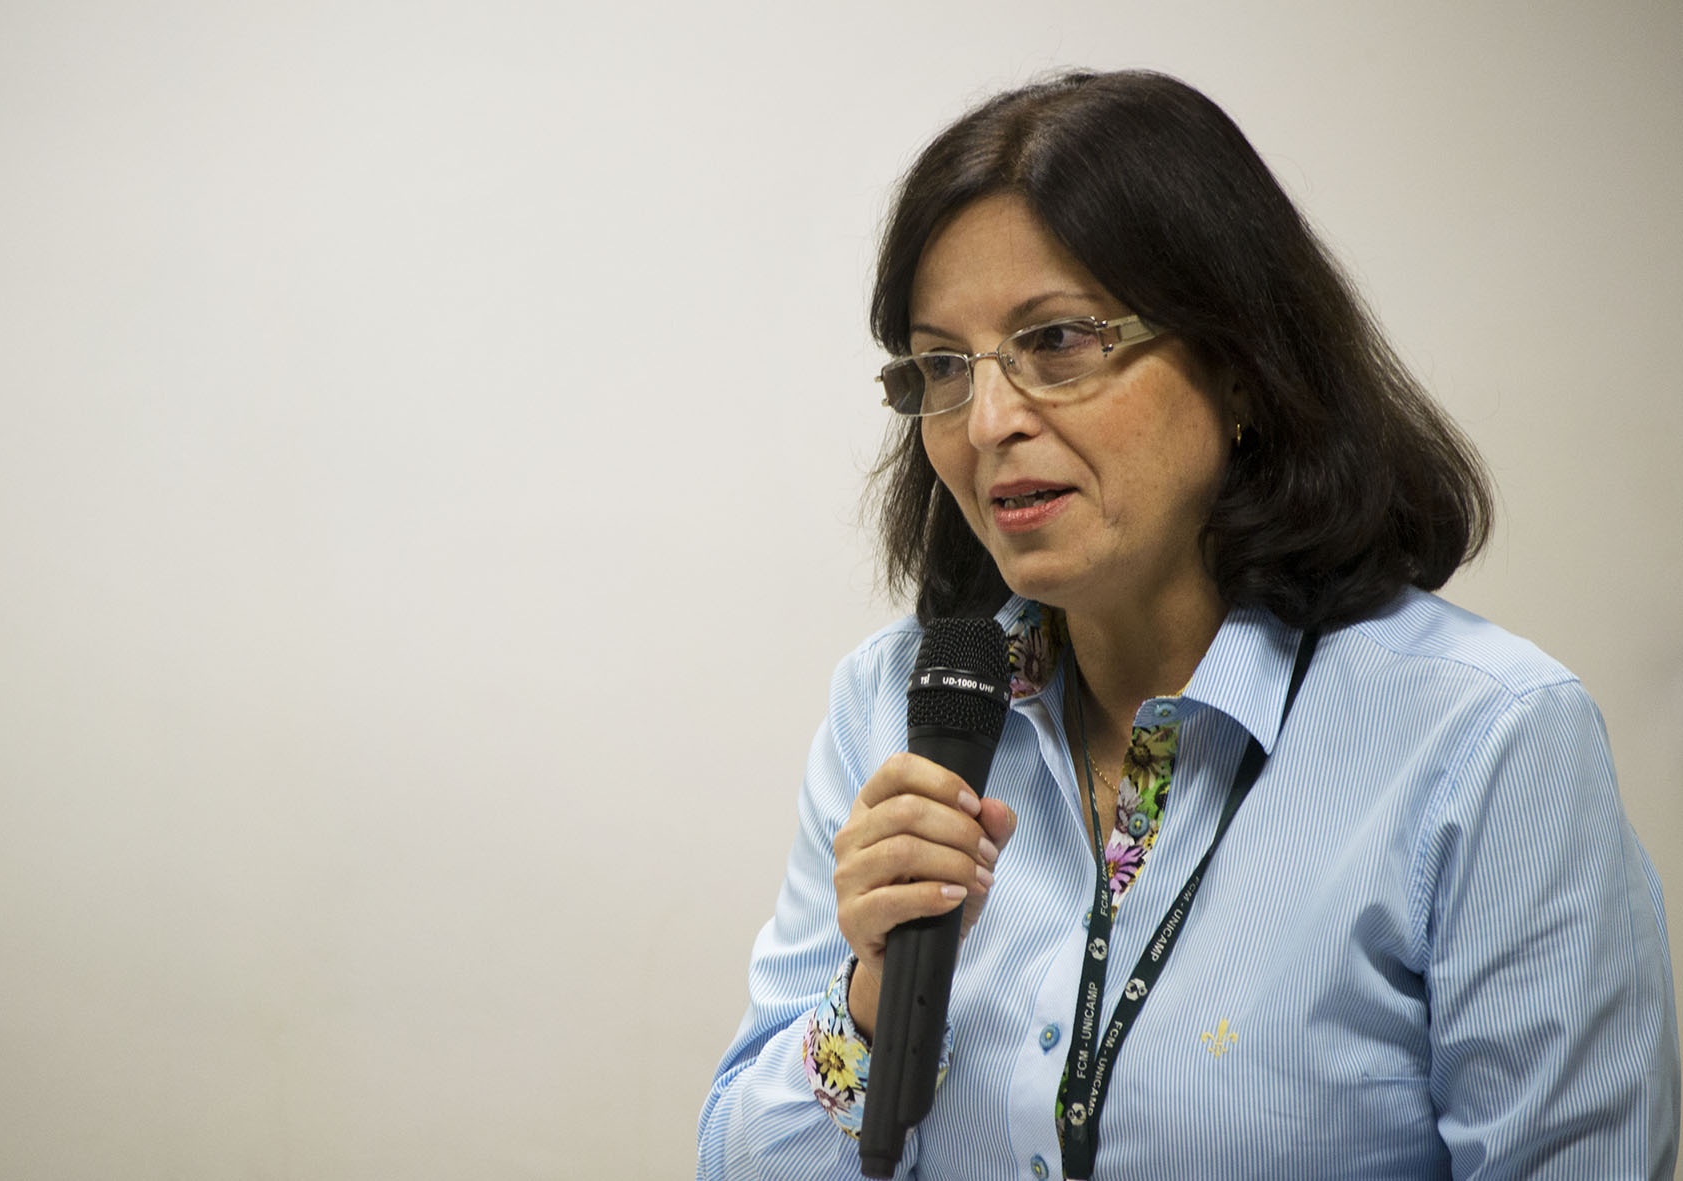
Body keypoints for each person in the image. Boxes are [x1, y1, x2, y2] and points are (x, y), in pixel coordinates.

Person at [697, 70, 1679, 1180]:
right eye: (941, 366)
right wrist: (871, 997)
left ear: (1241, 367)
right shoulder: (897, 704)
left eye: (1056, 341)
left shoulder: (1485, 744)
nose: (987, 421)